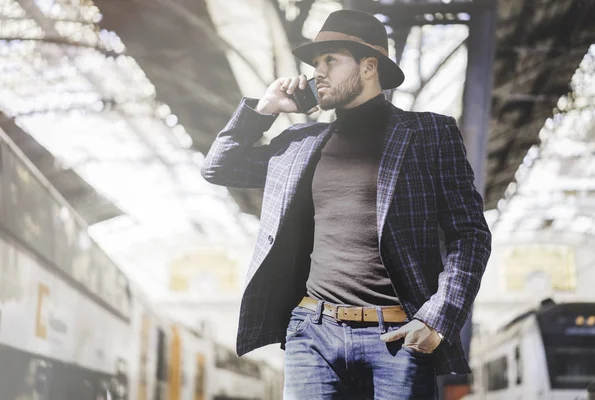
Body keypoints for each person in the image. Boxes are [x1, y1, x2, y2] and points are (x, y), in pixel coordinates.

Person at [202, 9, 492, 399]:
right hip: (312, 334)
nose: (316, 72)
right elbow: (219, 167)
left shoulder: (428, 134)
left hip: (397, 337)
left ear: (369, 66)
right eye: (315, 63)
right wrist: (264, 109)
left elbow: (470, 234)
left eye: (331, 60)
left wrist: (438, 319)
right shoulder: (299, 144)